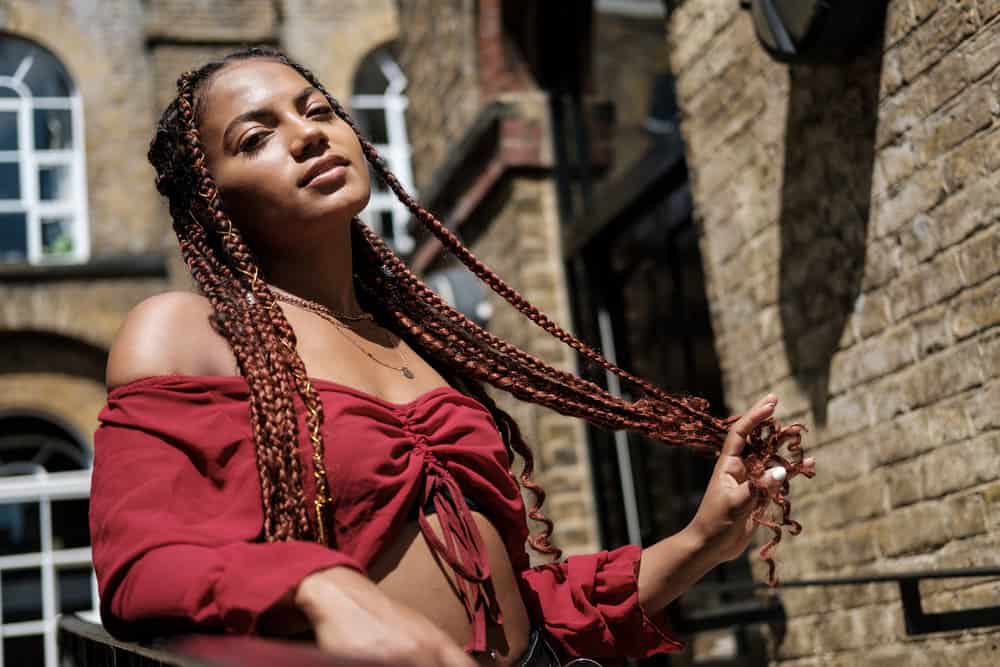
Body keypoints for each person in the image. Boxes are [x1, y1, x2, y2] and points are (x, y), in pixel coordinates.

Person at [89, 47, 815, 667]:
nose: (308, 136)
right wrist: (315, 584)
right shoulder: (187, 333)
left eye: (317, 110)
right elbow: (140, 566)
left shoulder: (416, 341)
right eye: (255, 137)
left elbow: (525, 604)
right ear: (211, 201)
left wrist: (701, 540)